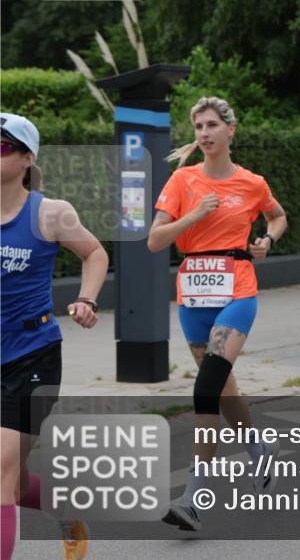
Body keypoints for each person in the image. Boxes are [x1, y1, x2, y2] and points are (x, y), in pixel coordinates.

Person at [148, 97, 288, 531]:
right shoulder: (182, 180)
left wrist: (267, 239)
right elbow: (155, 241)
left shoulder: (252, 182)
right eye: (198, 127)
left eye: (212, 125)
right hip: (193, 294)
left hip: (238, 290)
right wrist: (193, 214)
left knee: (206, 386)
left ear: (231, 130)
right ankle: (259, 446)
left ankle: (193, 495)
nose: (204, 134)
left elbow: (278, 216)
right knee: (223, 386)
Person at [1, 113, 109, 560]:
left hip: (32, 357)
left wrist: (86, 299)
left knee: (1, 474)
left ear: (27, 158)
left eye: (2, 145)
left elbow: (95, 252)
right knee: (16, 479)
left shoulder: (50, 213)